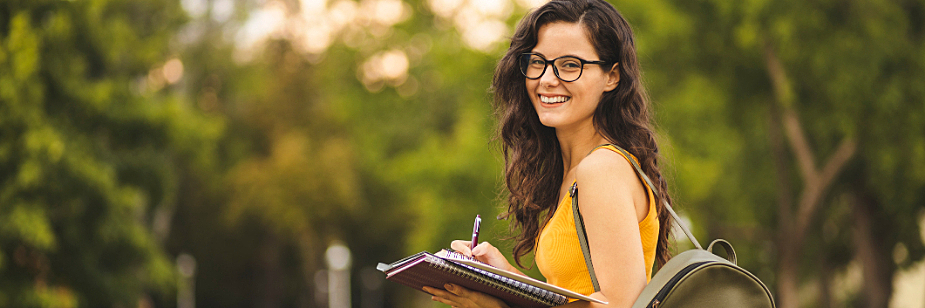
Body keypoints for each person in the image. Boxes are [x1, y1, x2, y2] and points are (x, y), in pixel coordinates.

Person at [423, 0, 673, 307]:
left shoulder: (602, 169)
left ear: (612, 76)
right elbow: (576, 295)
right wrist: (507, 278)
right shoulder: (574, 171)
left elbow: (620, 304)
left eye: (570, 65)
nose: (547, 79)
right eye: (538, 62)